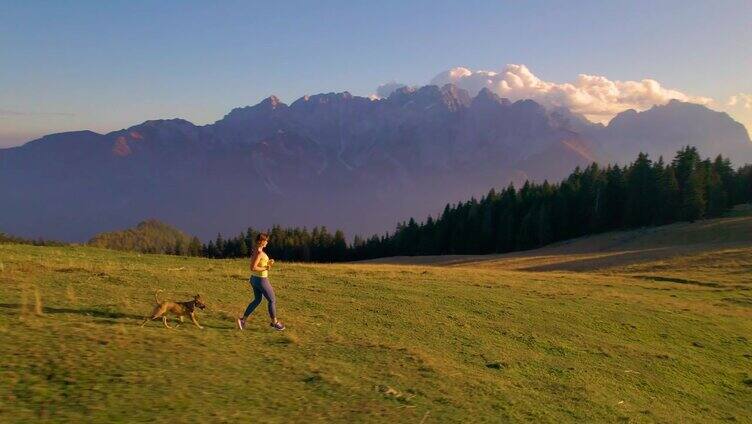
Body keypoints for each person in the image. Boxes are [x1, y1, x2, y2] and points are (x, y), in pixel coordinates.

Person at [237, 233, 285, 331]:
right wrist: (266, 267)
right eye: (266, 240)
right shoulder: (259, 253)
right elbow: (253, 267)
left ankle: (243, 320)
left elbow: (258, 263)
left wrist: (268, 263)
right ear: (262, 241)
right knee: (272, 300)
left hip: (254, 279)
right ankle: (274, 323)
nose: (267, 242)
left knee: (257, 300)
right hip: (261, 280)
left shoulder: (256, 250)